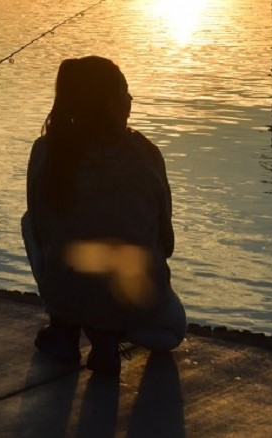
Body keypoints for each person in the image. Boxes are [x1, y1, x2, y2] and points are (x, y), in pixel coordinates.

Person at [22, 55, 186, 376]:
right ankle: (108, 334)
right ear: (111, 104)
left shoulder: (47, 152)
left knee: (30, 223)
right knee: (171, 333)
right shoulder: (146, 153)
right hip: (136, 294)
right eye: (125, 91)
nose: (131, 98)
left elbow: (40, 227)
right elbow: (166, 243)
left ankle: (65, 329)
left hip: (67, 289)